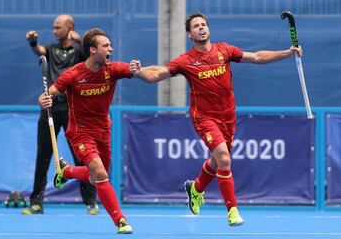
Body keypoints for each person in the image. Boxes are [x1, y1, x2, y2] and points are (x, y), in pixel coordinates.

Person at [129, 12, 303, 226]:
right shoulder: (186, 61)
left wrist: (288, 53)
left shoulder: (225, 50)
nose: (201, 28)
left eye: (203, 24)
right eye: (196, 26)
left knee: (217, 160)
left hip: (228, 116)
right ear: (189, 34)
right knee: (224, 158)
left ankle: (196, 189)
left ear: (209, 29)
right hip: (204, 117)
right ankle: (232, 211)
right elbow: (156, 74)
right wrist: (139, 73)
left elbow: (257, 57)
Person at [38, 28, 133, 234]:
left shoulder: (113, 69)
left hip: (103, 130)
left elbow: (142, 72)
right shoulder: (73, 74)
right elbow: (49, 93)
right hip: (80, 131)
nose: (111, 49)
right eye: (106, 46)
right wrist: (44, 99)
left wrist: (143, 69)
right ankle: (120, 220)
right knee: (99, 173)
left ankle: (66, 171)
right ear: (93, 50)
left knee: (97, 176)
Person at [22, 14, 99, 215]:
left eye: (58, 27)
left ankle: (91, 201)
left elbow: (92, 59)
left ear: (69, 27)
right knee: (44, 156)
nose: (55, 31)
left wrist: (80, 40)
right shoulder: (50, 49)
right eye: (54, 28)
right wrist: (33, 41)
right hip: (50, 108)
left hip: (74, 110)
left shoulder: (80, 50)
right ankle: (36, 202)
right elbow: (37, 50)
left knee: (82, 155)